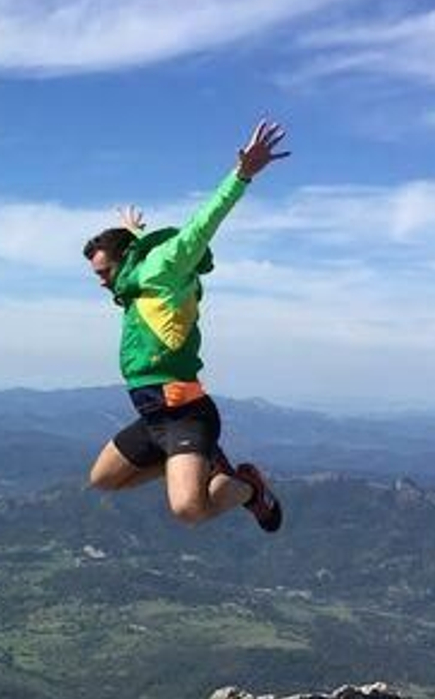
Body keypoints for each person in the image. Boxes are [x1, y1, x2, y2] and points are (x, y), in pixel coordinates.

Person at [83, 119, 287, 532]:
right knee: (102, 479)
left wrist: (241, 175)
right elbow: (138, 260)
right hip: (152, 417)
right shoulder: (134, 280)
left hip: (185, 414)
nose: (101, 281)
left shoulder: (165, 265)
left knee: (189, 510)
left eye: (104, 271)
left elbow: (201, 226)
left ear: (124, 260)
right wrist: (133, 232)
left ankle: (249, 489)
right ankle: (185, 463)